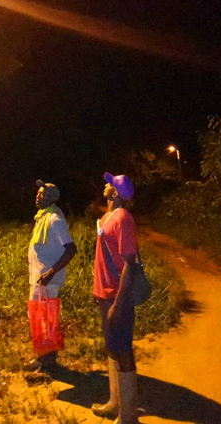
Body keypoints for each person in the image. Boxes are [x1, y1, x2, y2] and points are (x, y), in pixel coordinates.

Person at [92, 172, 140, 423]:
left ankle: (129, 415)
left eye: (111, 183)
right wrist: (98, 293)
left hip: (117, 296)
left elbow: (129, 265)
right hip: (105, 294)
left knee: (123, 352)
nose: (106, 184)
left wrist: (118, 304)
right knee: (112, 349)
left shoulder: (123, 219)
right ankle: (115, 403)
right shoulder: (107, 217)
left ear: (116, 192)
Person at [25, 179, 77, 372]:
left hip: (47, 281)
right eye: (38, 193)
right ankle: (43, 358)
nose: (37, 197)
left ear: (51, 198)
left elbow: (71, 249)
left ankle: (48, 362)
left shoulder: (55, 220)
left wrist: (52, 272)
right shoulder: (42, 218)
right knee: (38, 319)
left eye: (42, 194)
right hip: (39, 280)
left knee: (46, 321)